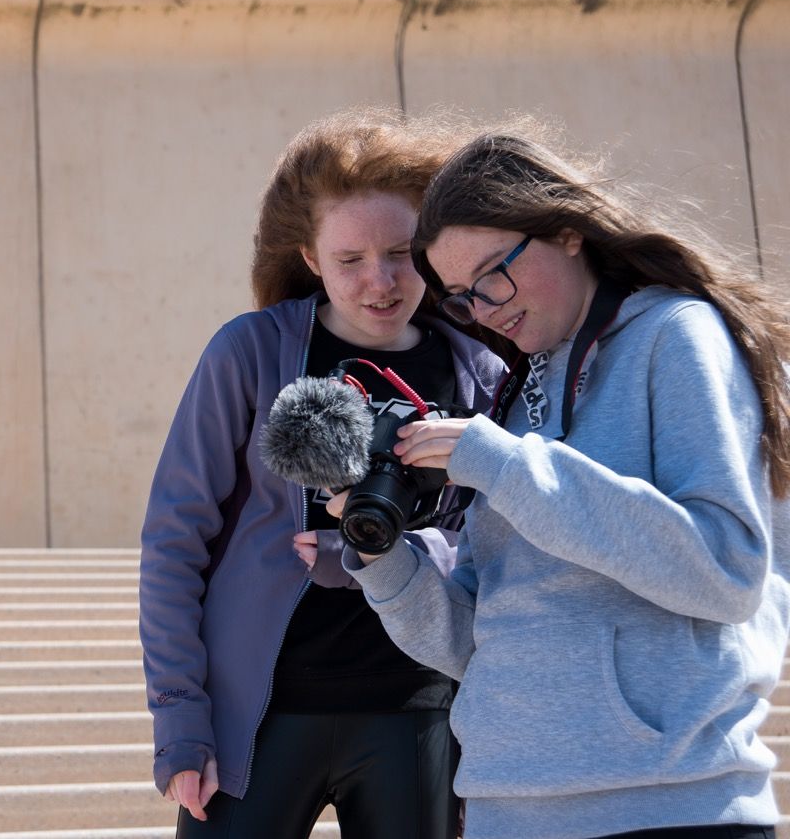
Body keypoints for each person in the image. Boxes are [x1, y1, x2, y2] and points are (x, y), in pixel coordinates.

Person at [325, 131, 790, 839]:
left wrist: (507, 466)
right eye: (461, 298)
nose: (484, 310)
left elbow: (728, 572)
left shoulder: (676, 335)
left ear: (567, 232)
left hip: (669, 809)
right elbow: (475, 642)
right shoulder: (514, 397)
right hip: (508, 812)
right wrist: (386, 563)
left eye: (494, 275)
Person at [138, 108, 505, 839]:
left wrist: (377, 557)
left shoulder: (483, 372)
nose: (381, 280)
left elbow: (491, 552)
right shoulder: (248, 353)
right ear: (309, 257)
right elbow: (174, 540)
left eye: (402, 252)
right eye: (350, 260)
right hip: (261, 718)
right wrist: (182, 719)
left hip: (418, 715)